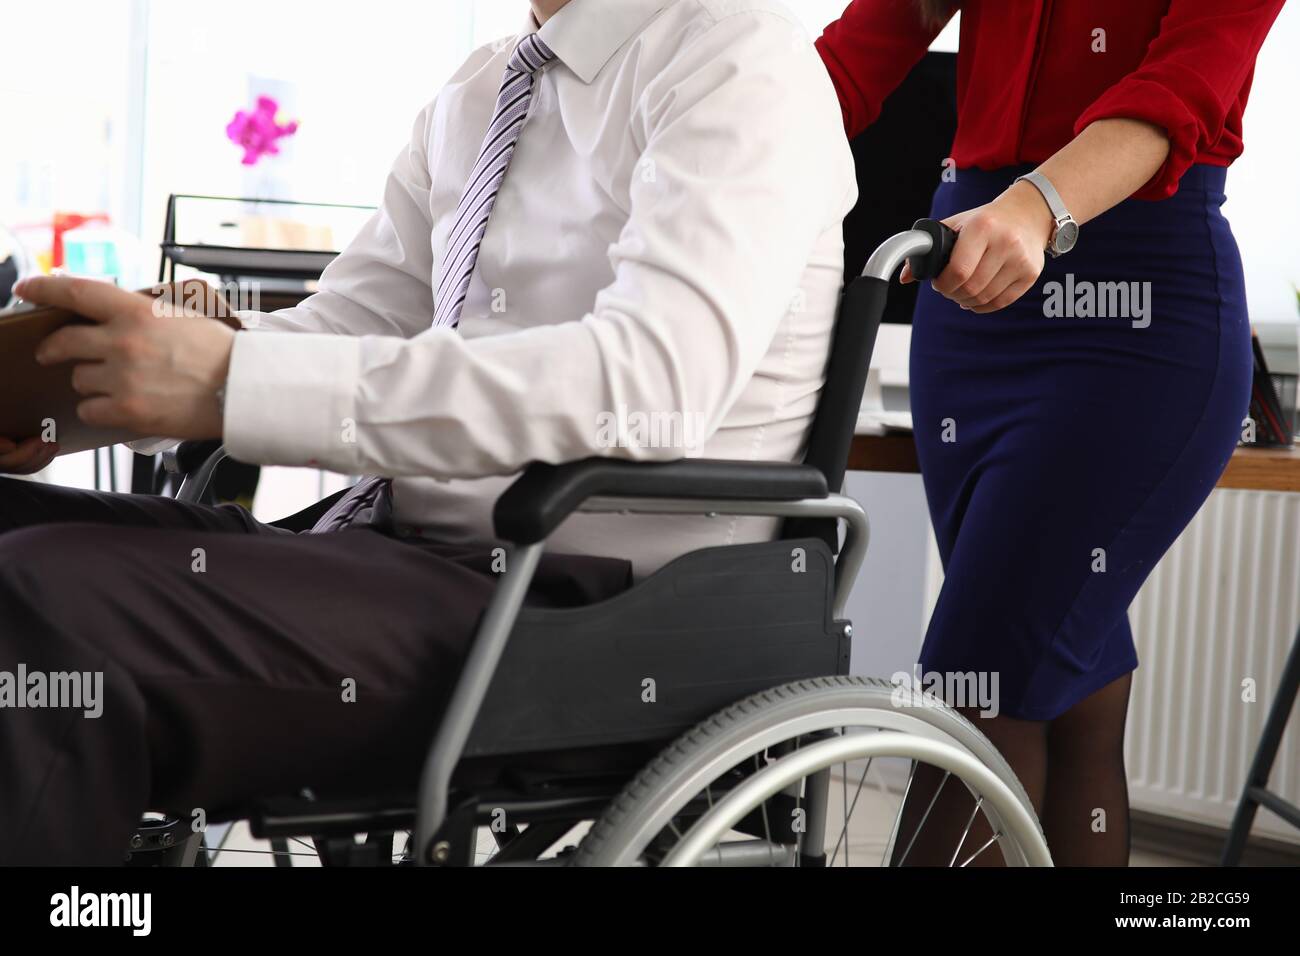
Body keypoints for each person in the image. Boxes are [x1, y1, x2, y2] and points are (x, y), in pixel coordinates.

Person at [0, 0, 855, 865]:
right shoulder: (482, 87)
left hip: (595, 607)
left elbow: (645, 383)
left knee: (43, 599)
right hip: (405, 564)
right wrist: (81, 391)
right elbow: (353, 322)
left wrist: (230, 384)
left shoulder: (739, 62)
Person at [817, 0, 1284, 865]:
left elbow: (1185, 80)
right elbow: (862, 49)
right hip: (969, 290)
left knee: (976, 686)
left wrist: (1037, 205)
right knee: (1063, 687)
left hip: (1133, 309)